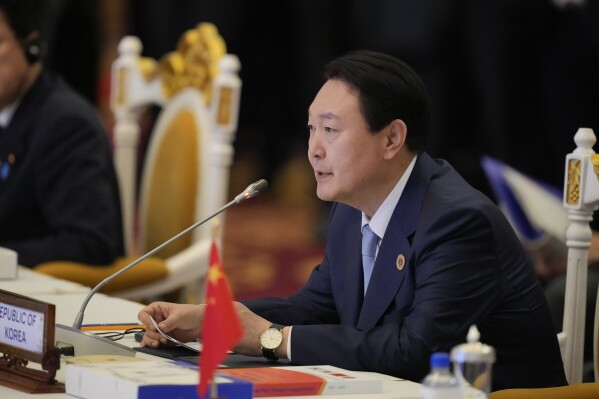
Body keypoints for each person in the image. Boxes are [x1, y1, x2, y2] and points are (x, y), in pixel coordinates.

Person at [138, 50, 567, 391]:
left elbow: (414, 351)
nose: (313, 150)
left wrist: (273, 338)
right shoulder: (350, 209)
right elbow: (314, 309)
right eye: (310, 130)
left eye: (331, 130)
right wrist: (212, 318)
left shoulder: (457, 222)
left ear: (392, 138)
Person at [0, 0, 124, 267]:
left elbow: (92, 243)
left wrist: (5, 257)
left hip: (51, 299)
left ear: (32, 46)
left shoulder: (66, 125)